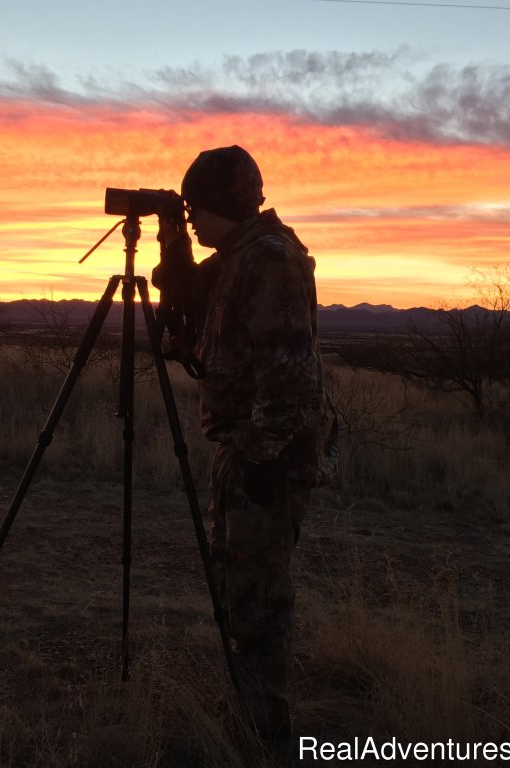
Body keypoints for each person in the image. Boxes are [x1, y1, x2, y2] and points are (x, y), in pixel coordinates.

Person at [154, 145, 338, 744]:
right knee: (238, 584)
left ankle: (266, 733)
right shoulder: (236, 255)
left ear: (221, 204)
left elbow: (290, 373)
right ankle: (250, 710)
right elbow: (192, 305)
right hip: (245, 449)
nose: (190, 219)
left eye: (193, 209)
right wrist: (171, 245)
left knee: (258, 597)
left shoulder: (270, 258)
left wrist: (259, 460)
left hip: (268, 458)